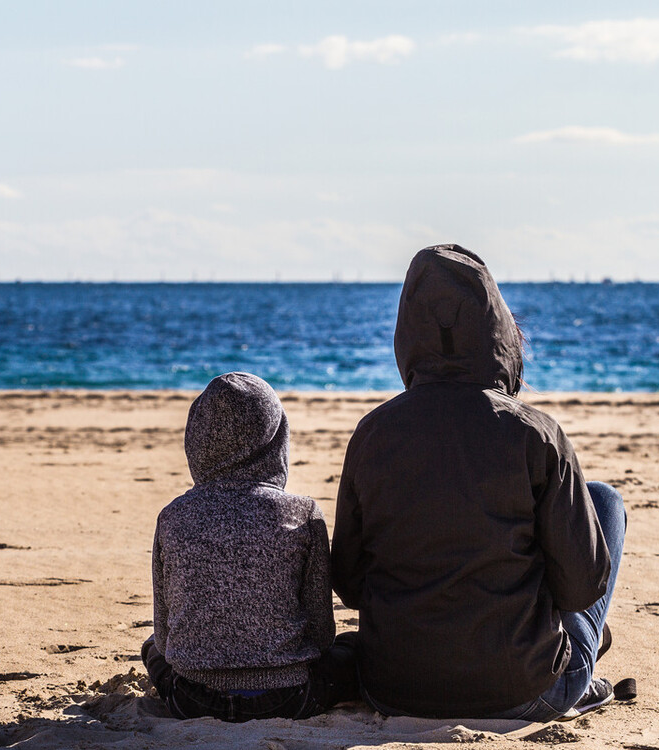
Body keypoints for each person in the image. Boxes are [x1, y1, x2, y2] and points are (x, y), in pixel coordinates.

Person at [330, 244, 626, 721]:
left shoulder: (373, 433)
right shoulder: (536, 434)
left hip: (392, 687)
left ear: (406, 335)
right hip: (522, 689)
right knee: (604, 501)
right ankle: (577, 673)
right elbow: (580, 588)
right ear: (500, 331)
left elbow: (349, 581)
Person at [142, 371, 358, 722]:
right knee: (352, 650)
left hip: (192, 700)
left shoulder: (172, 517)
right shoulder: (304, 513)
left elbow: (166, 641)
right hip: (287, 699)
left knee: (150, 647)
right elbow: (321, 636)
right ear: (278, 439)